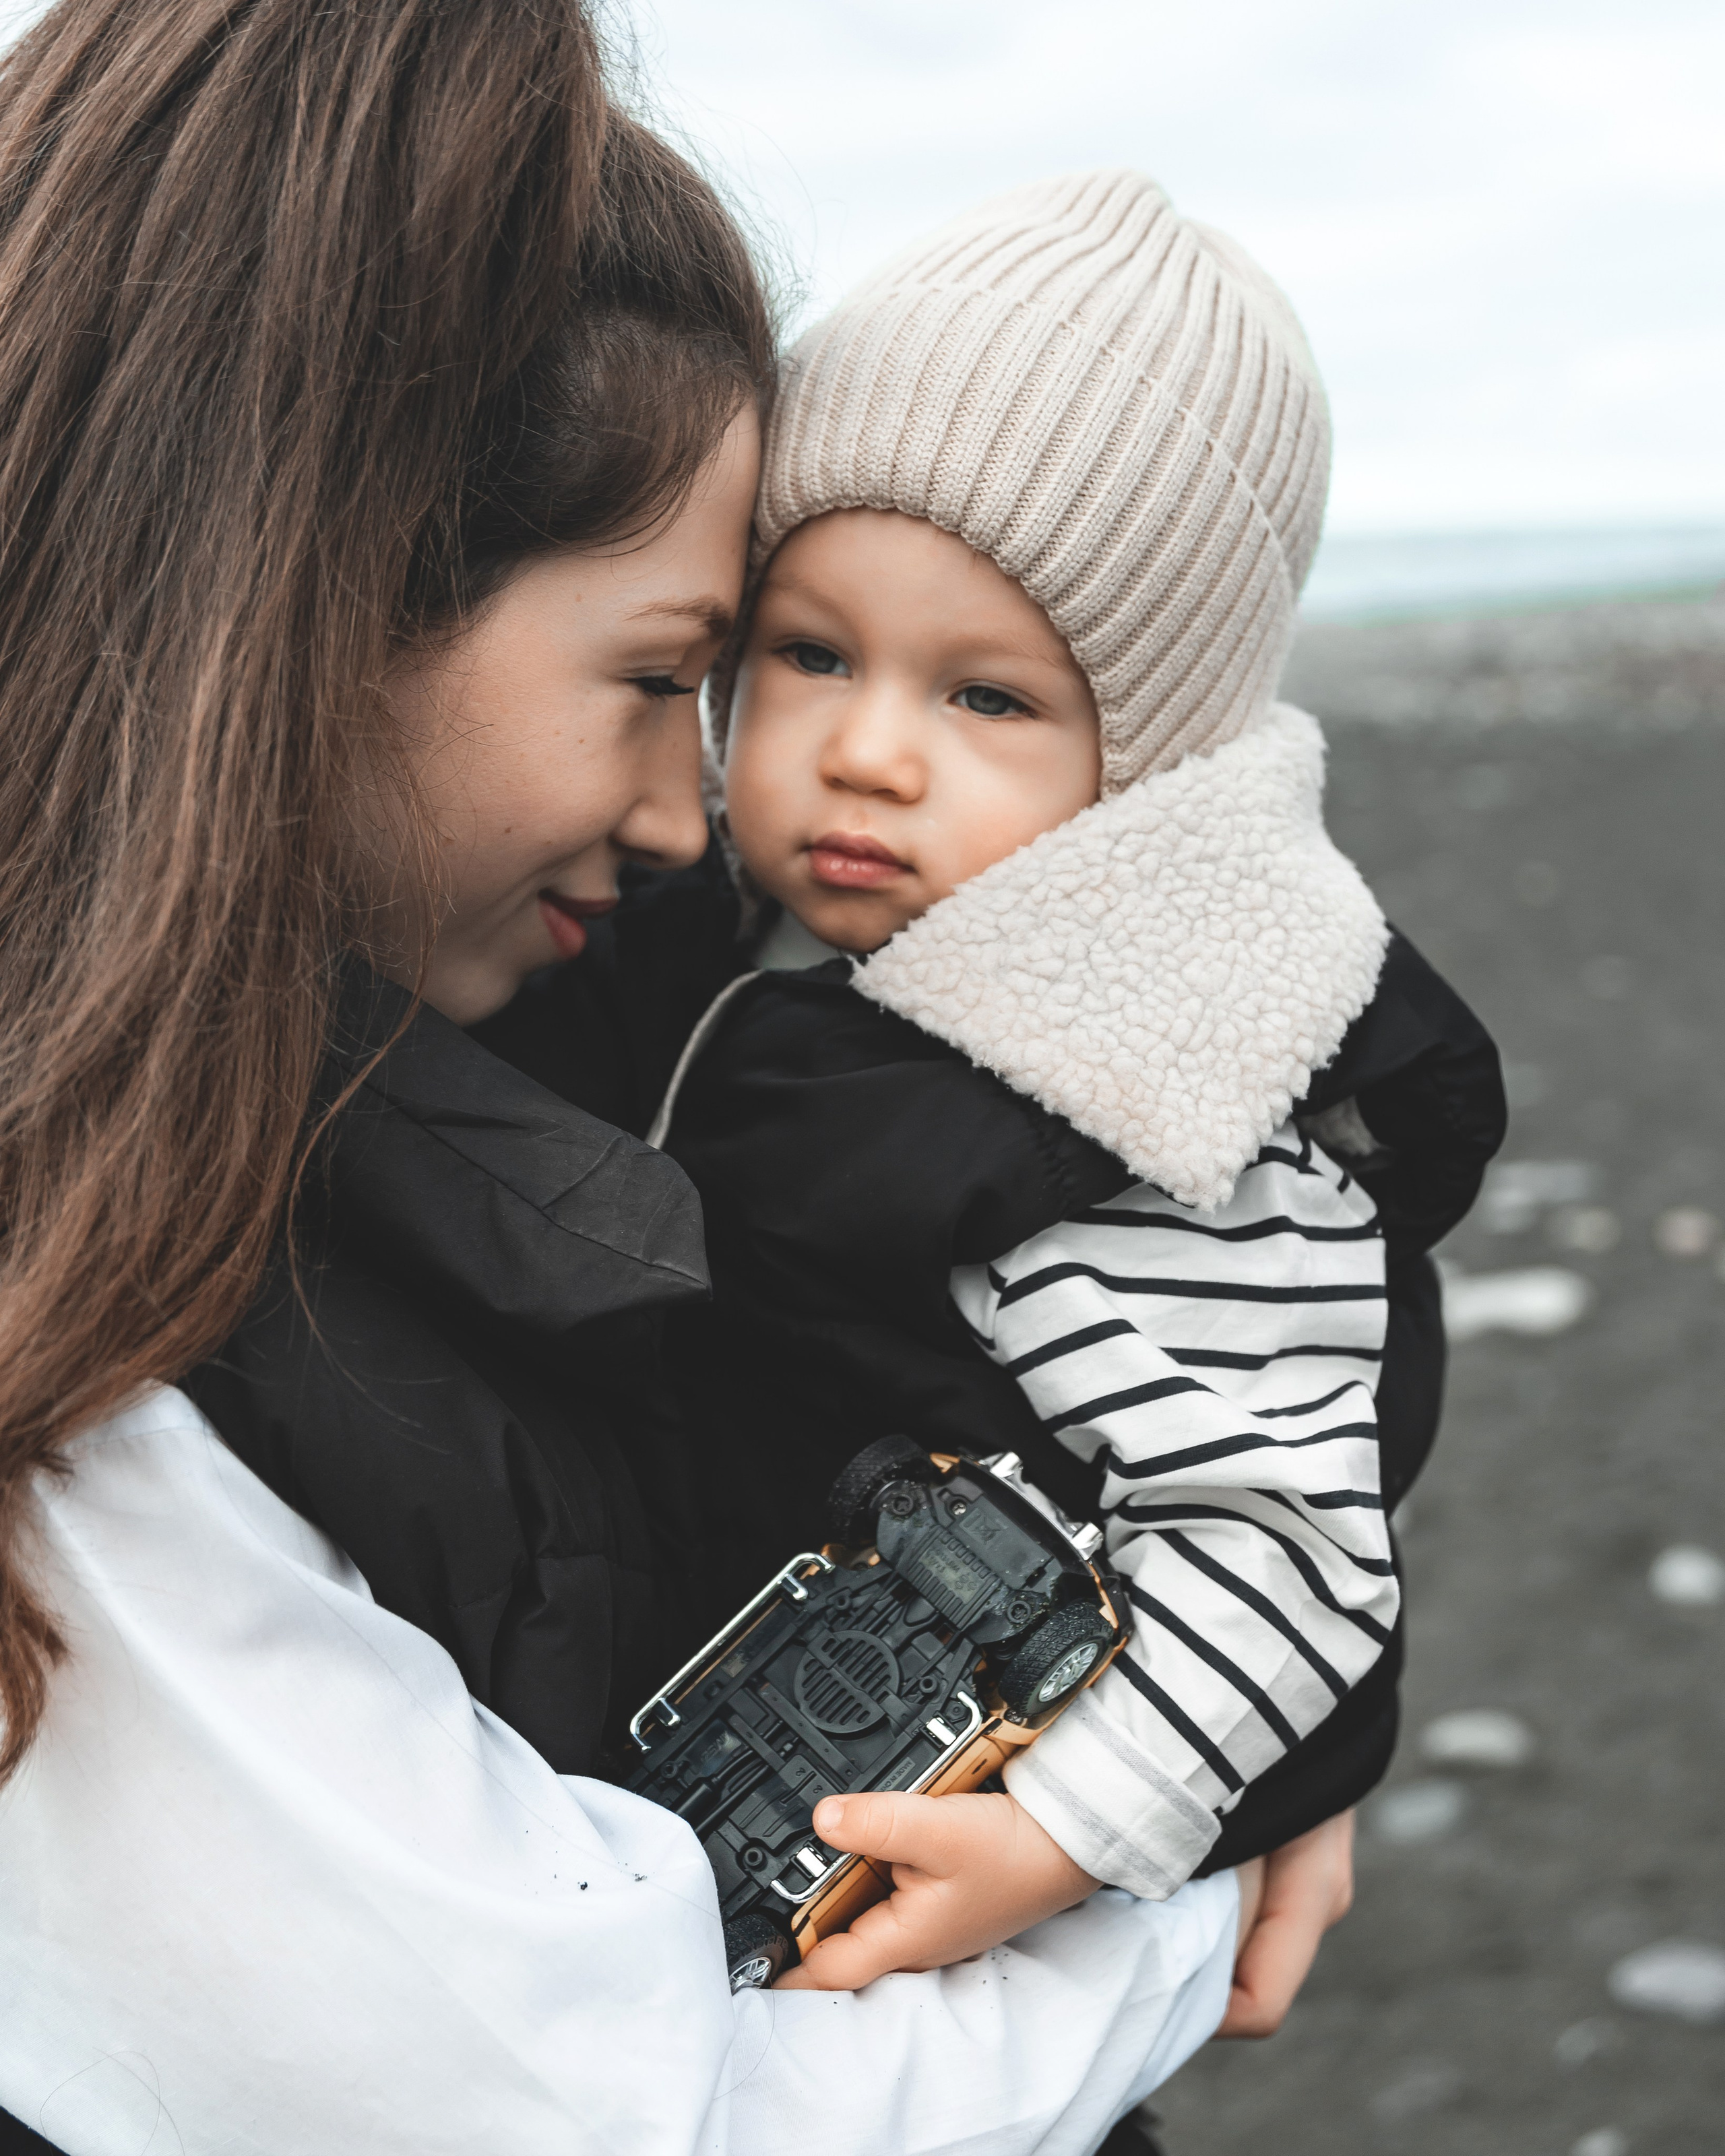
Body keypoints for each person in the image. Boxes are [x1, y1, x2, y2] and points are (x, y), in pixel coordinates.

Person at [0, 11, 1334, 2154]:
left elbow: (1269, 1237)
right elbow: (612, 2112)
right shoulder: (76, 1338)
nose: (682, 804)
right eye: (660, 678)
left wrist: (1267, 1686)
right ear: (319, 589)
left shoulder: (521, 994)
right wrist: (1199, 1855)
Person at [639, 173, 1507, 1993]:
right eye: (810, 654)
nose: (866, 752)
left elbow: (1288, 1535)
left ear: (1156, 755)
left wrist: (1065, 1839)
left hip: (943, 1860)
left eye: (990, 699)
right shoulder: (803, 963)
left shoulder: (1129, 1097)